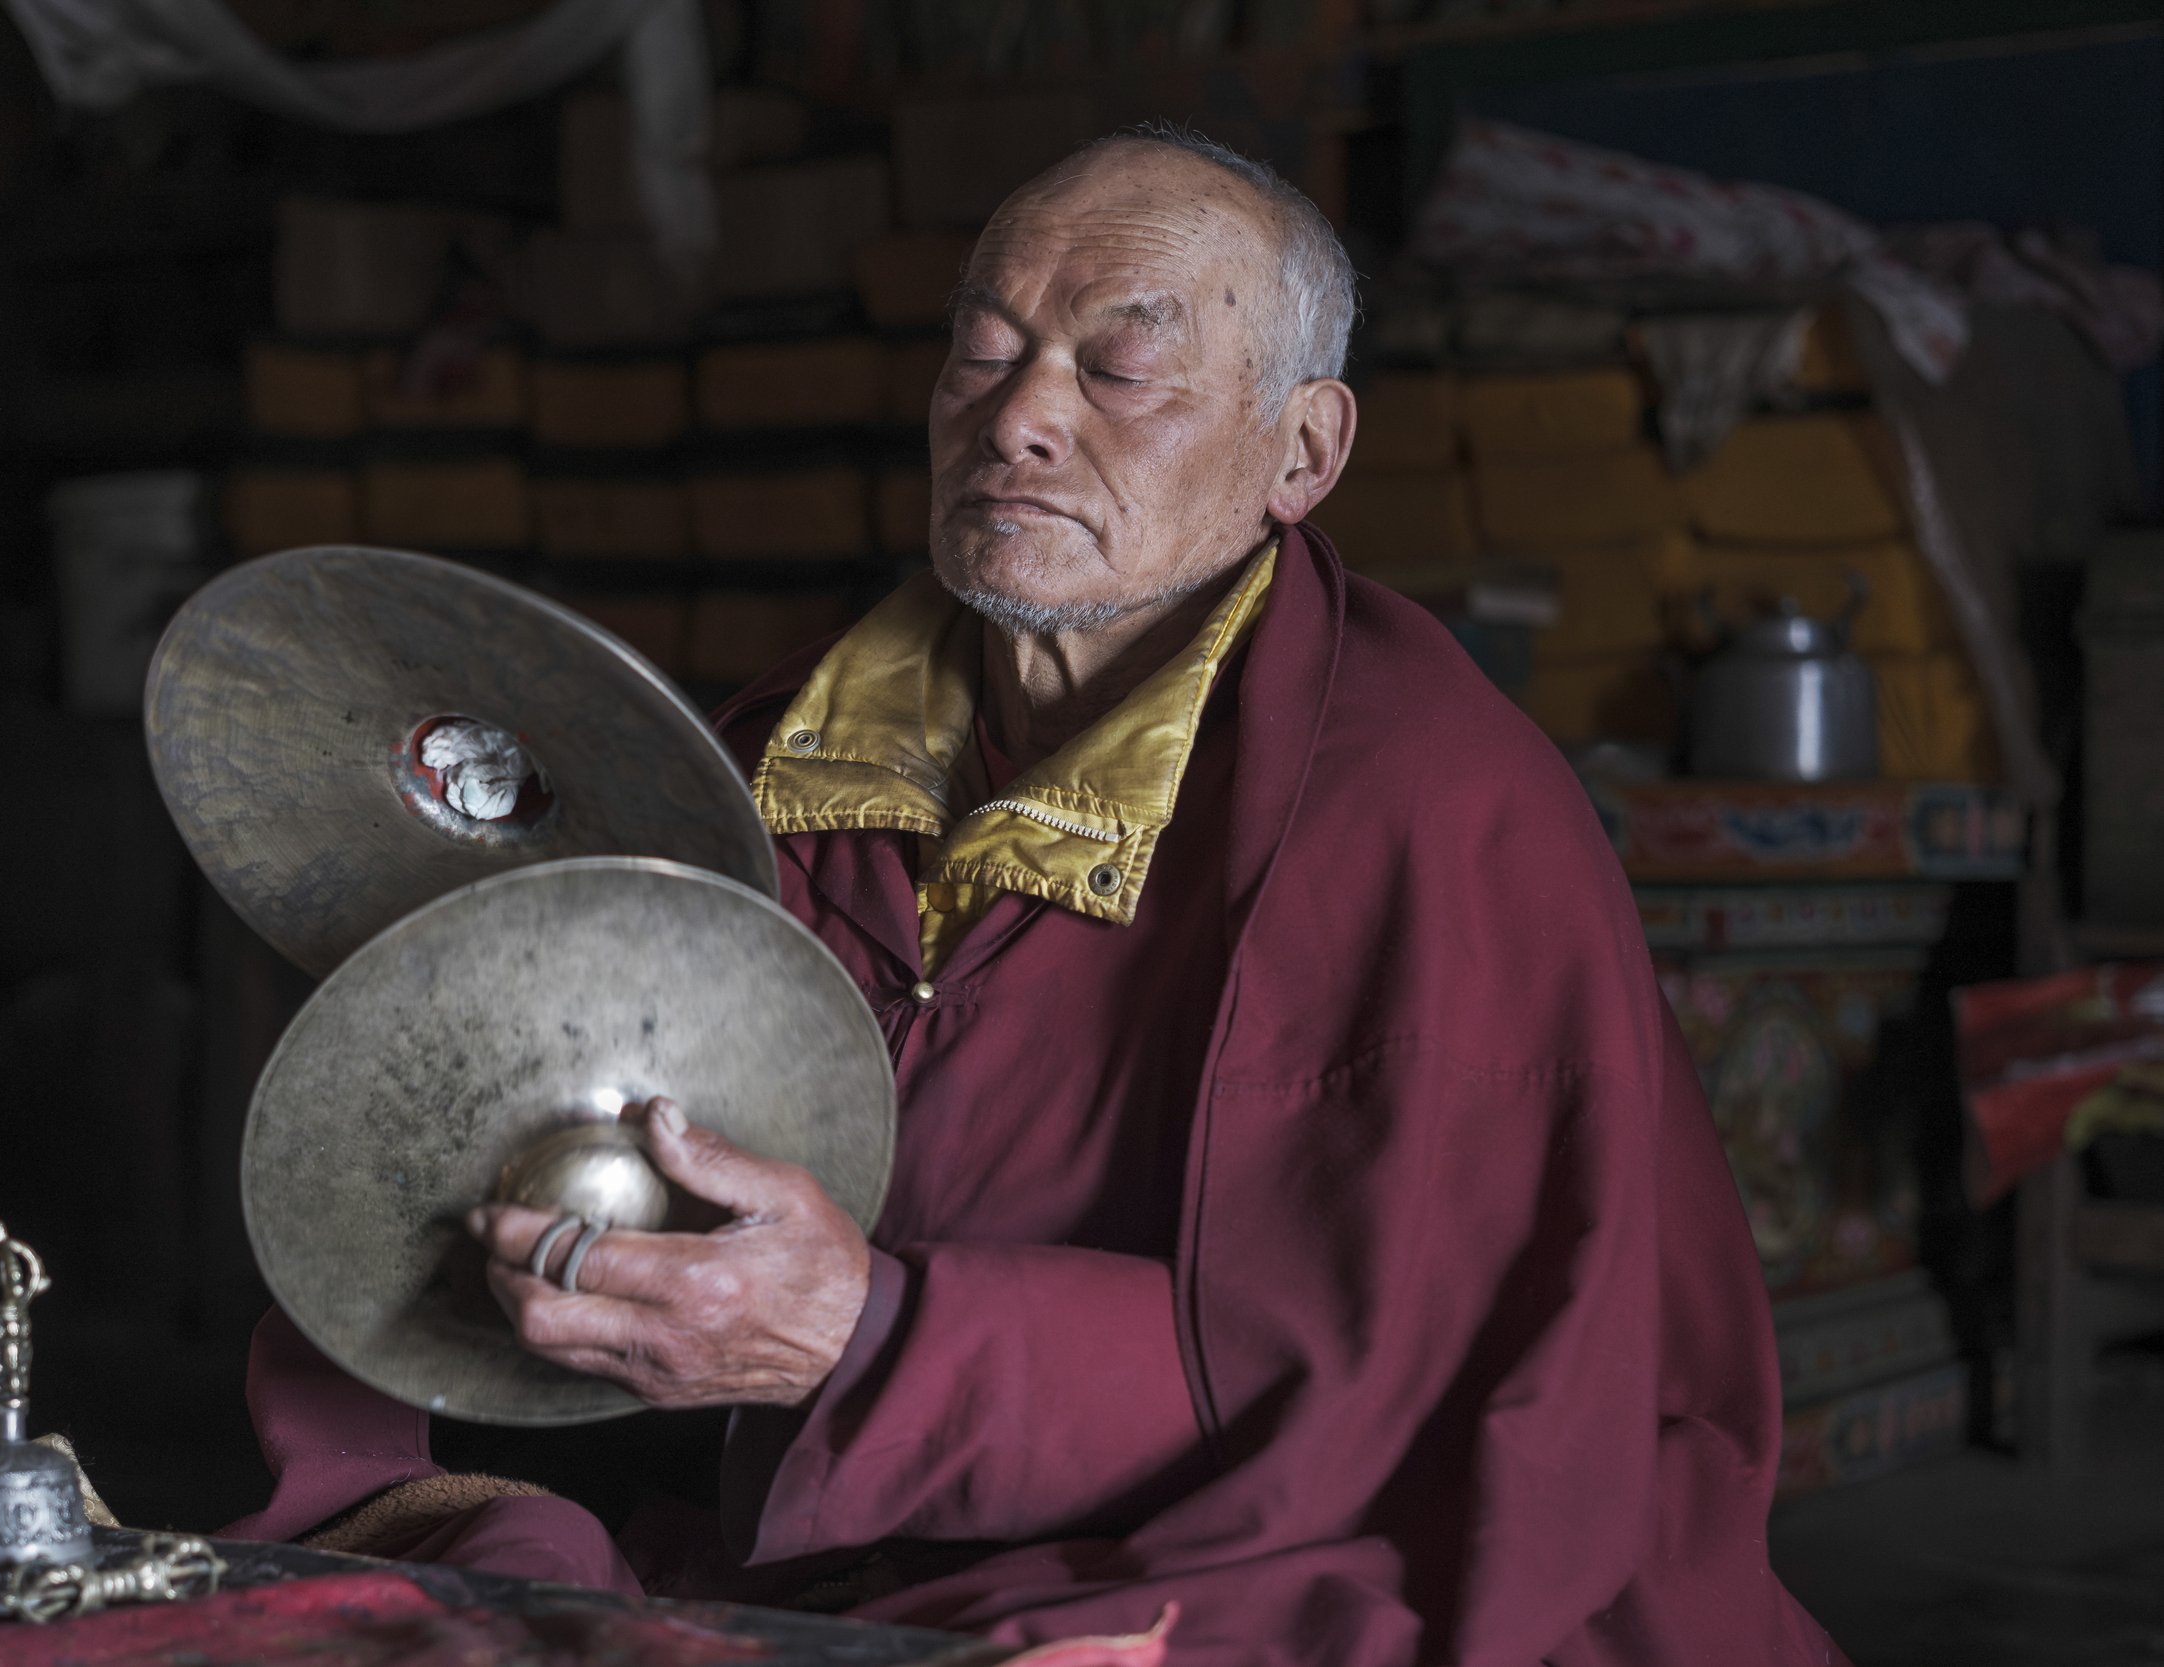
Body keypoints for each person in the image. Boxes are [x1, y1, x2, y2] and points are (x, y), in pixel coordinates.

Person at [227, 127, 1841, 1666]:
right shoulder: (767, 755)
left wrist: (865, 1343)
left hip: (1245, 1548)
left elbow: (1405, 1393)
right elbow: (451, 1152)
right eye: (984, 355)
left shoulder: (1434, 810)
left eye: (1119, 369)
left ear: (1305, 450)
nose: (1018, 419)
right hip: (796, 1542)